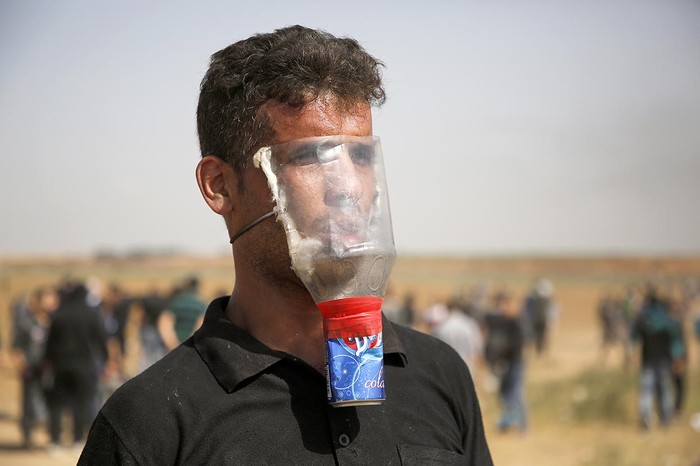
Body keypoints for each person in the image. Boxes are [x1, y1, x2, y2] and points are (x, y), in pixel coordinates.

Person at [79, 25, 492, 465]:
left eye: (362, 156)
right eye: (311, 156)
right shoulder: (151, 423)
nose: (349, 188)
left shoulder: (437, 374)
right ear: (220, 186)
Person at [44, 281, 108, 450]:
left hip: (60, 364)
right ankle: (78, 439)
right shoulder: (91, 314)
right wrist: (106, 359)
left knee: (57, 402)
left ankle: (55, 440)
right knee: (82, 401)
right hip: (83, 364)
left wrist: (47, 361)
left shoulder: (59, 314)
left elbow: (50, 342)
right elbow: (101, 338)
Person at [630, 285, 684, 430]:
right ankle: (665, 421)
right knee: (665, 390)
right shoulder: (668, 320)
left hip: (648, 360)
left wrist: (630, 356)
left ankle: (646, 421)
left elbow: (633, 340)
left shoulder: (643, 319)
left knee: (647, 390)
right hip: (664, 361)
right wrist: (677, 360)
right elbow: (676, 344)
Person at [10, 286, 58, 448]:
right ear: (37, 302)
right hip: (30, 368)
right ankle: (28, 435)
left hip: (49, 369)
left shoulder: (54, 321)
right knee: (29, 401)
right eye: (46, 301)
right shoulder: (26, 321)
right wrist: (20, 363)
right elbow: (17, 345)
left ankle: (51, 434)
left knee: (51, 401)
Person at [484, 292, 527, 433]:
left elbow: (516, 345)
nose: (502, 308)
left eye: (505, 305)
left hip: (514, 363)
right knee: (504, 393)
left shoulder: (516, 322)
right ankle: (509, 423)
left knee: (515, 394)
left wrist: (503, 353)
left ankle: (519, 425)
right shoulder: (504, 322)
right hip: (506, 363)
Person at [157, 276, 207, 351]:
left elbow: (165, 321)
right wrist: (190, 343)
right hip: (191, 346)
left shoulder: (176, 302)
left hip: (172, 346)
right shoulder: (201, 304)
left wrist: (172, 343)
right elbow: (201, 323)